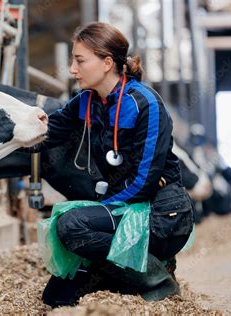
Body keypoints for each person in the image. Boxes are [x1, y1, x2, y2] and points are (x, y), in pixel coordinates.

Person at [27, 22, 194, 307]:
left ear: (107, 63)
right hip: (123, 211)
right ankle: (120, 276)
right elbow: (46, 135)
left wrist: (99, 209)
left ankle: (155, 274)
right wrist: (13, 130)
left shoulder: (146, 104)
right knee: (56, 297)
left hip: (160, 215)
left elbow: (145, 181)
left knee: (71, 225)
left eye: (80, 60)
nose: (72, 69)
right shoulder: (86, 102)